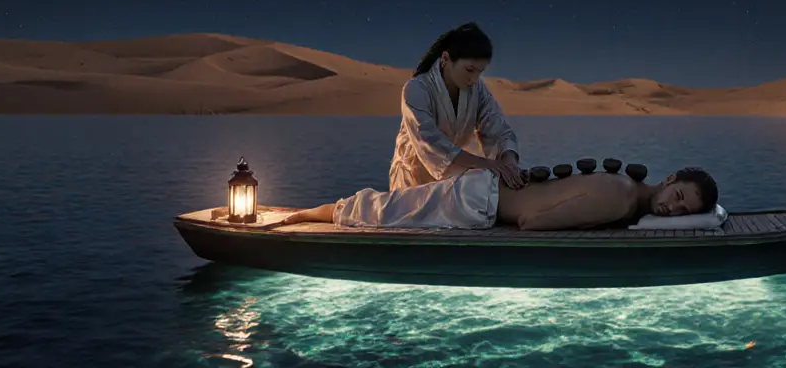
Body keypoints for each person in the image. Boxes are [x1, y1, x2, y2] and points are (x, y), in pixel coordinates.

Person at [275, 166, 719, 232]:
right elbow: (535, 222)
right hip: (478, 202)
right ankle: (300, 216)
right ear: (668, 179)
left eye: (684, 211)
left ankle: (308, 213)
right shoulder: (622, 199)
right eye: (678, 195)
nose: (673, 209)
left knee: (390, 206)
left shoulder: (627, 193)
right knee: (380, 212)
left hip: (482, 193)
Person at [388, 22, 525, 192]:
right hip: (412, 183)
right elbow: (430, 142)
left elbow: (497, 127)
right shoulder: (416, 89)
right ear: (445, 59)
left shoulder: (477, 89)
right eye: (469, 70)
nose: (474, 79)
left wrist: (508, 160)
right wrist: (487, 164)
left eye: (479, 72)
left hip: (453, 182)